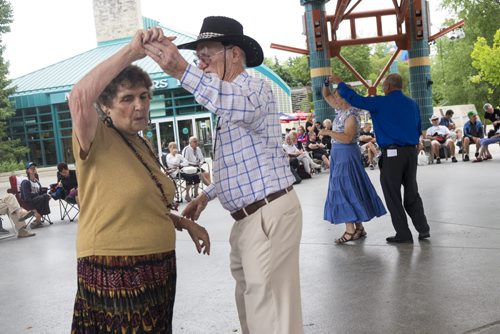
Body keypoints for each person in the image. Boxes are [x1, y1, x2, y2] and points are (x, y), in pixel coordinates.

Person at [143, 16, 304, 334]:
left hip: (266, 214)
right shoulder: (229, 100)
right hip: (252, 217)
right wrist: (207, 195)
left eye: (207, 54)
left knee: (269, 311)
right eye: (197, 56)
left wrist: (179, 70)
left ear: (234, 53)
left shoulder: (251, 87)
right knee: (255, 306)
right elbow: (243, 163)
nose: (200, 63)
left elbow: (233, 105)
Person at [68, 29, 210, 333]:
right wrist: (133, 51)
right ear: (105, 106)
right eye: (127, 98)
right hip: (116, 269)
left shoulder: (140, 143)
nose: (140, 105)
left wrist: (186, 223)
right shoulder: (96, 137)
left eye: (144, 96)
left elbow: (142, 204)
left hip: (157, 268)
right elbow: (78, 98)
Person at [330, 73, 430, 243]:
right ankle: (423, 229)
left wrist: (340, 83)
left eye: (384, 85)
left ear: (388, 87)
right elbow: (418, 127)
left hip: (392, 155)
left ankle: (403, 233)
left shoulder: (381, 102)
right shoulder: (412, 104)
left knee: (392, 194)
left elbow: (357, 100)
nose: (382, 88)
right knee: (412, 191)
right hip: (411, 153)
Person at [321, 80, 386, 243]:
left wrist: (329, 132)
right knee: (349, 187)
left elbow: (348, 138)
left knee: (343, 188)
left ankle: (350, 230)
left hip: (346, 153)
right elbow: (326, 94)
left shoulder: (351, 116)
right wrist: (326, 82)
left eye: (337, 96)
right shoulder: (340, 110)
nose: (334, 99)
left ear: (346, 98)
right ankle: (359, 228)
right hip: (339, 154)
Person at [20, 162, 51, 229]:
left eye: (34, 168)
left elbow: (40, 193)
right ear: (27, 170)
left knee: (46, 196)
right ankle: (38, 218)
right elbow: (27, 198)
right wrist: (34, 211)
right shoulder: (26, 182)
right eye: (31, 168)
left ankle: (38, 220)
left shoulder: (36, 181)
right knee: (44, 197)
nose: (33, 169)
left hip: (38, 200)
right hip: (29, 203)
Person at [182, 136, 211, 201]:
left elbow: (202, 158)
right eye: (195, 141)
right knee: (200, 175)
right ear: (190, 142)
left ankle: (210, 188)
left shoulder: (198, 149)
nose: (196, 143)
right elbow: (184, 160)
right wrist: (193, 164)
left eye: (197, 141)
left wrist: (200, 163)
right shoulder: (187, 149)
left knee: (207, 174)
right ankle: (211, 189)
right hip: (189, 167)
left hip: (197, 166)